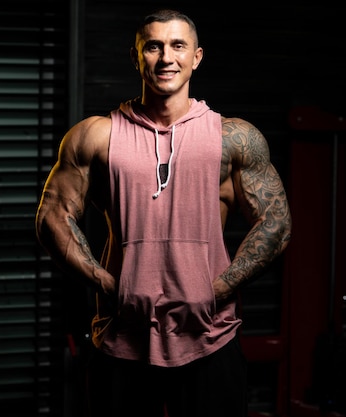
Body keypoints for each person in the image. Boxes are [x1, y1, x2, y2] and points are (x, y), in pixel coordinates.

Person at [35, 8, 292, 417]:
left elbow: (276, 222)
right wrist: (105, 282)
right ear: (137, 56)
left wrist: (220, 288)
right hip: (122, 340)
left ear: (197, 56)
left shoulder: (234, 137)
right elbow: (53, 216)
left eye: (178, 46)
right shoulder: (95, 135)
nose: (165, 57)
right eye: (153, 46)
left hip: (210, 339)